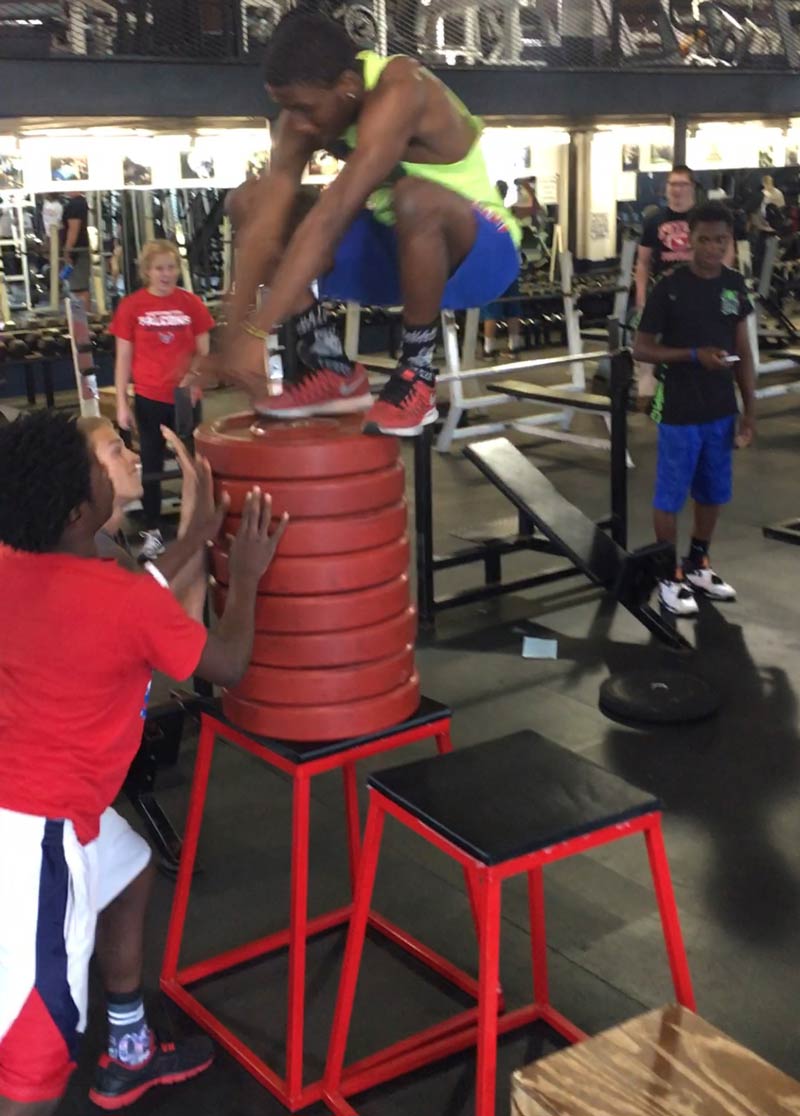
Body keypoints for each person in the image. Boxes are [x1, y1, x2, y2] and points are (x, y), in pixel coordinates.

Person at [0, 409, 287, 1116]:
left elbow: (135, 592)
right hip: (36, 840)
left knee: (128, 871)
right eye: (100, 465)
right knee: (35, 1059)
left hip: (48, 807)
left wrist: (193, 535)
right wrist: (243, 577)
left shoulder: (17, 563)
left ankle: (129, 1047)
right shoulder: (123, 600)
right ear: (76, 508)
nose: (113, 465)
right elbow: (229, 665)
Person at [210, 8, 521, 436]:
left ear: (348, 87)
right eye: (286, 108)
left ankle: (416, 375)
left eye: (304, 109)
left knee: (413, 199)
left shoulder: (401, 88)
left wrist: (257, 329)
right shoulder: (302, 120)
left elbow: (333, 214)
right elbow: (265, 221)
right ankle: (332, 366)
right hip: (396, 256)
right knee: (250, 200)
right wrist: (233, 332)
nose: (296, 123)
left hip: (479, 255)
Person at [633, 202, 756, 617]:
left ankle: (698, 563)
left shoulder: (735, 285)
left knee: (713, 491)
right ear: (689, 239)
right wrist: (690, 355)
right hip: (680, 410)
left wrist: (749, 410)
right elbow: (642, 347)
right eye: (704, 239)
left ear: (728, 241)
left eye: (721, 240)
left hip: (721, 409)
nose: (712, 248)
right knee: (670, 496)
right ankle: (670, 575)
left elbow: (744, 351)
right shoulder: (670, 287)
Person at [111, 239, 215, 561]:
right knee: (152, 466)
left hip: (185, 396)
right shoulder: (132, 306)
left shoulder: (191, 304)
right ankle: (152, 533)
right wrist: (121, 403)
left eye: (171, 268)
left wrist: (192, 379)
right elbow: (123, 357)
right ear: (147, 271)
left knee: (193, 464)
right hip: (149, 397)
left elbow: (204, 351)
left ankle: (195, 527)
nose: (166, 274)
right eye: (159, 268)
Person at [480, 180, 524, 359]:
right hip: (511, 267)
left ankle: (489, 349)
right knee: (513, 307)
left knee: (491, 310)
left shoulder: (486, 215)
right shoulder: (510, 214)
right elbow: (534, 208)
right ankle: (515, 346)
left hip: (493, 269)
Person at [61, 190, 91, 309]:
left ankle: (83, 322)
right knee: (78, 288)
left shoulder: (75, 205)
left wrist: (68, 251)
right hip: (79, 249)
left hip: (77, 251)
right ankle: (83, 321)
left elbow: (73, 230)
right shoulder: (80, 203)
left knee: (79, 290)